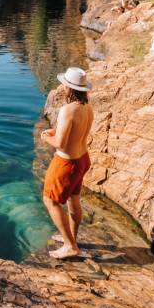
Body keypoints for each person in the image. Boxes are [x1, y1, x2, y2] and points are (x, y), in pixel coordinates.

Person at [40, 67, 94, 259]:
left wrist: (45, 137)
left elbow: (61, 144)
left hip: (66, 163)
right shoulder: (86, 107)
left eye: (64, 85)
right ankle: (71, 238)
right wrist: (55, 133)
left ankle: (70, 246)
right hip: (82, 159)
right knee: (73, 199)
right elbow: (76, 134)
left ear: (68, 89)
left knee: (50, 201)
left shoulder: (67, 110)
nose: (62, 87)